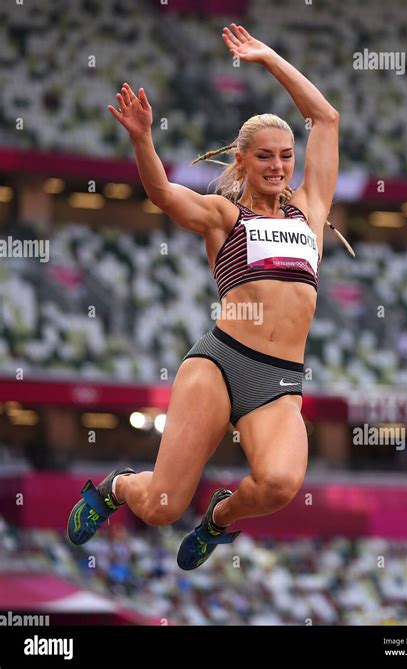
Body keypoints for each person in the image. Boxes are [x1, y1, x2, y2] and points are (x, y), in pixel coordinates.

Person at [67, 23, 339, 571]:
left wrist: (269, 59)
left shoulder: (309, 212)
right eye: (265, 157)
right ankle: (118, 487)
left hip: (279, 377)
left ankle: (220, 518)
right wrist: (143, 139)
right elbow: (164, 195)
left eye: (286, 156)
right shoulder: (224, 216)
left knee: (282, 483)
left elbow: (326, 118)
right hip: (221, 362)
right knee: (164, 506)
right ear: (242, 162)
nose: (279, 166)